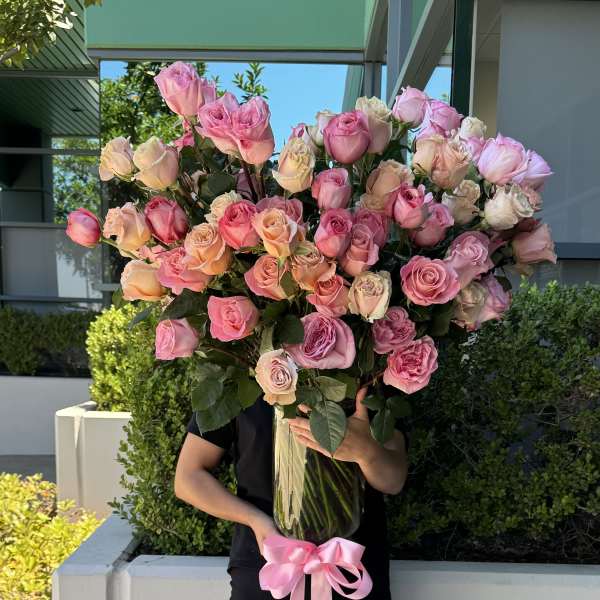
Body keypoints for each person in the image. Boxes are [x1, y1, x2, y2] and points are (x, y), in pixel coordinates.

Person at [174, 387, 408, 599]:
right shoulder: (236, 376)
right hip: (268, 568)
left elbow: (394, 481)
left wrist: (365, 451)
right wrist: (256, 521)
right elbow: (188, 477)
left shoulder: (366, 376)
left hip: (352, 567)